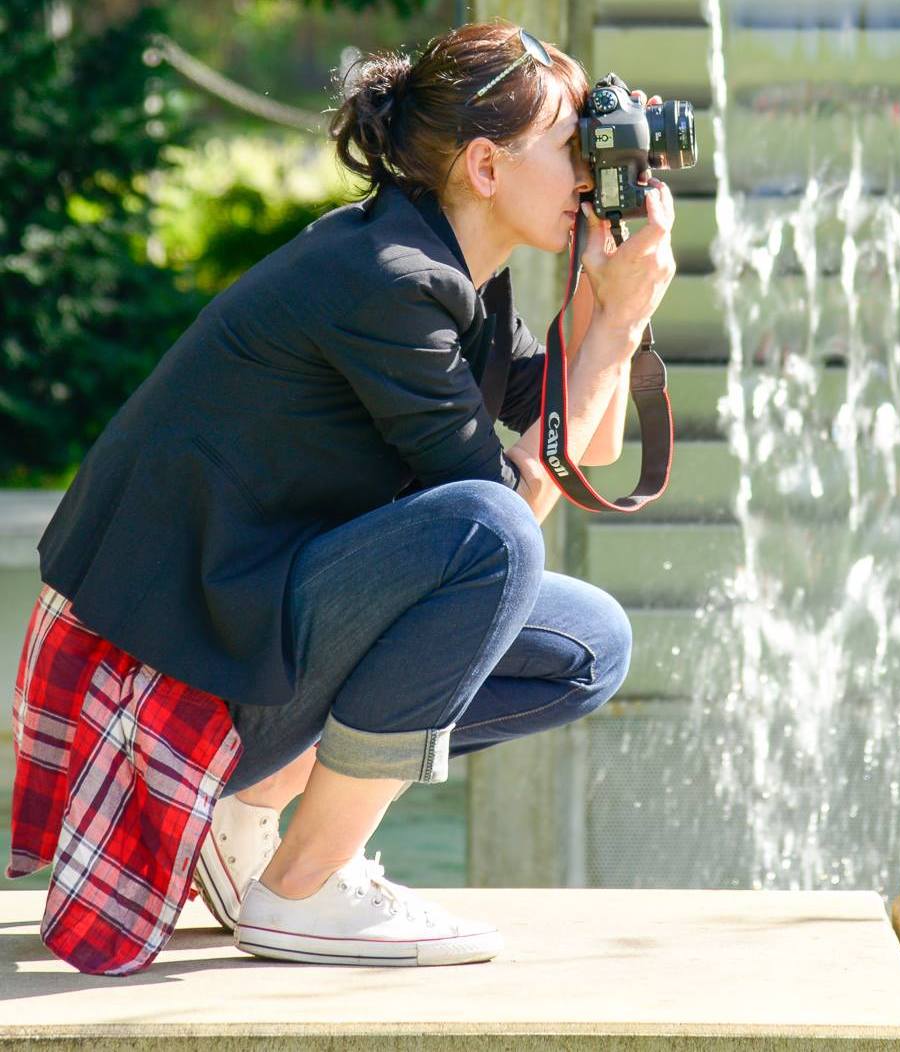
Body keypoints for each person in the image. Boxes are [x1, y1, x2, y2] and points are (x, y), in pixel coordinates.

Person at [16, 19, 677, 969]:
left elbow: (583, 448)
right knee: (486, 533)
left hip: (243, 623)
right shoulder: (387, 280)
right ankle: (305, 888)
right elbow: (502, 523)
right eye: (572, 147)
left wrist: (613, 309)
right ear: (485, 168)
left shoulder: (460, 278)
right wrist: (612, 330)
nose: (589, 170)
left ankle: (246, 814)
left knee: (587, 646)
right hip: (165, 672)